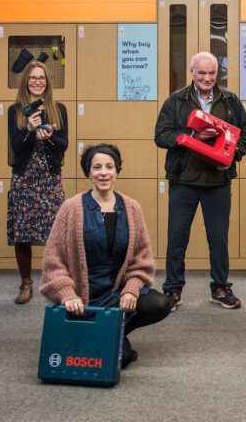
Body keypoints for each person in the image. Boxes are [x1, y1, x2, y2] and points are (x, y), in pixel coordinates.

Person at [41, 144, 171, 369]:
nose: (104, 172)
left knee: (160, 303)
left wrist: (131, 289)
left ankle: (111, 328)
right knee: (122, 359)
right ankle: (95, 330)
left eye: (109, 167)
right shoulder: (71, 209)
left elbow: (142, 259)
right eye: (97, 167)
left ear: (117, 171)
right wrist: (67, 295)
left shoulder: (131, 208)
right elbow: (54, 261)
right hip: (80, 301)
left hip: (115, 297)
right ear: (88, 172)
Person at [154, 51, 246, 311]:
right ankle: (173, 290)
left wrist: (233, 157)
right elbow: (161, 135)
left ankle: (220, 287)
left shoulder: (231, 101)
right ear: (192, 72)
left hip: (217, 182)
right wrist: (191, 134)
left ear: (217, 73)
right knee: (177, 238)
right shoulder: (175, 101)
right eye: (201, 73)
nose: (207, 78)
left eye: (212, 73)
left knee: (218, 239)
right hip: (183, 181)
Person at [7, 62, 68, 304]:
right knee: (22, 234)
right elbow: (16, 147)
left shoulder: (59, 109)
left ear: (47, 81)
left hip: (49, 178)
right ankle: (26, 284)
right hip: (24, 179)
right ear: (26, 81)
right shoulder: (15, 110)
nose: (37, 81)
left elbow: (63, 146)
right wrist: (30, 131)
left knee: (57, 234)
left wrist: (50, 138)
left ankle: (57, 281)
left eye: (41, 77)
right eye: (32, 77)